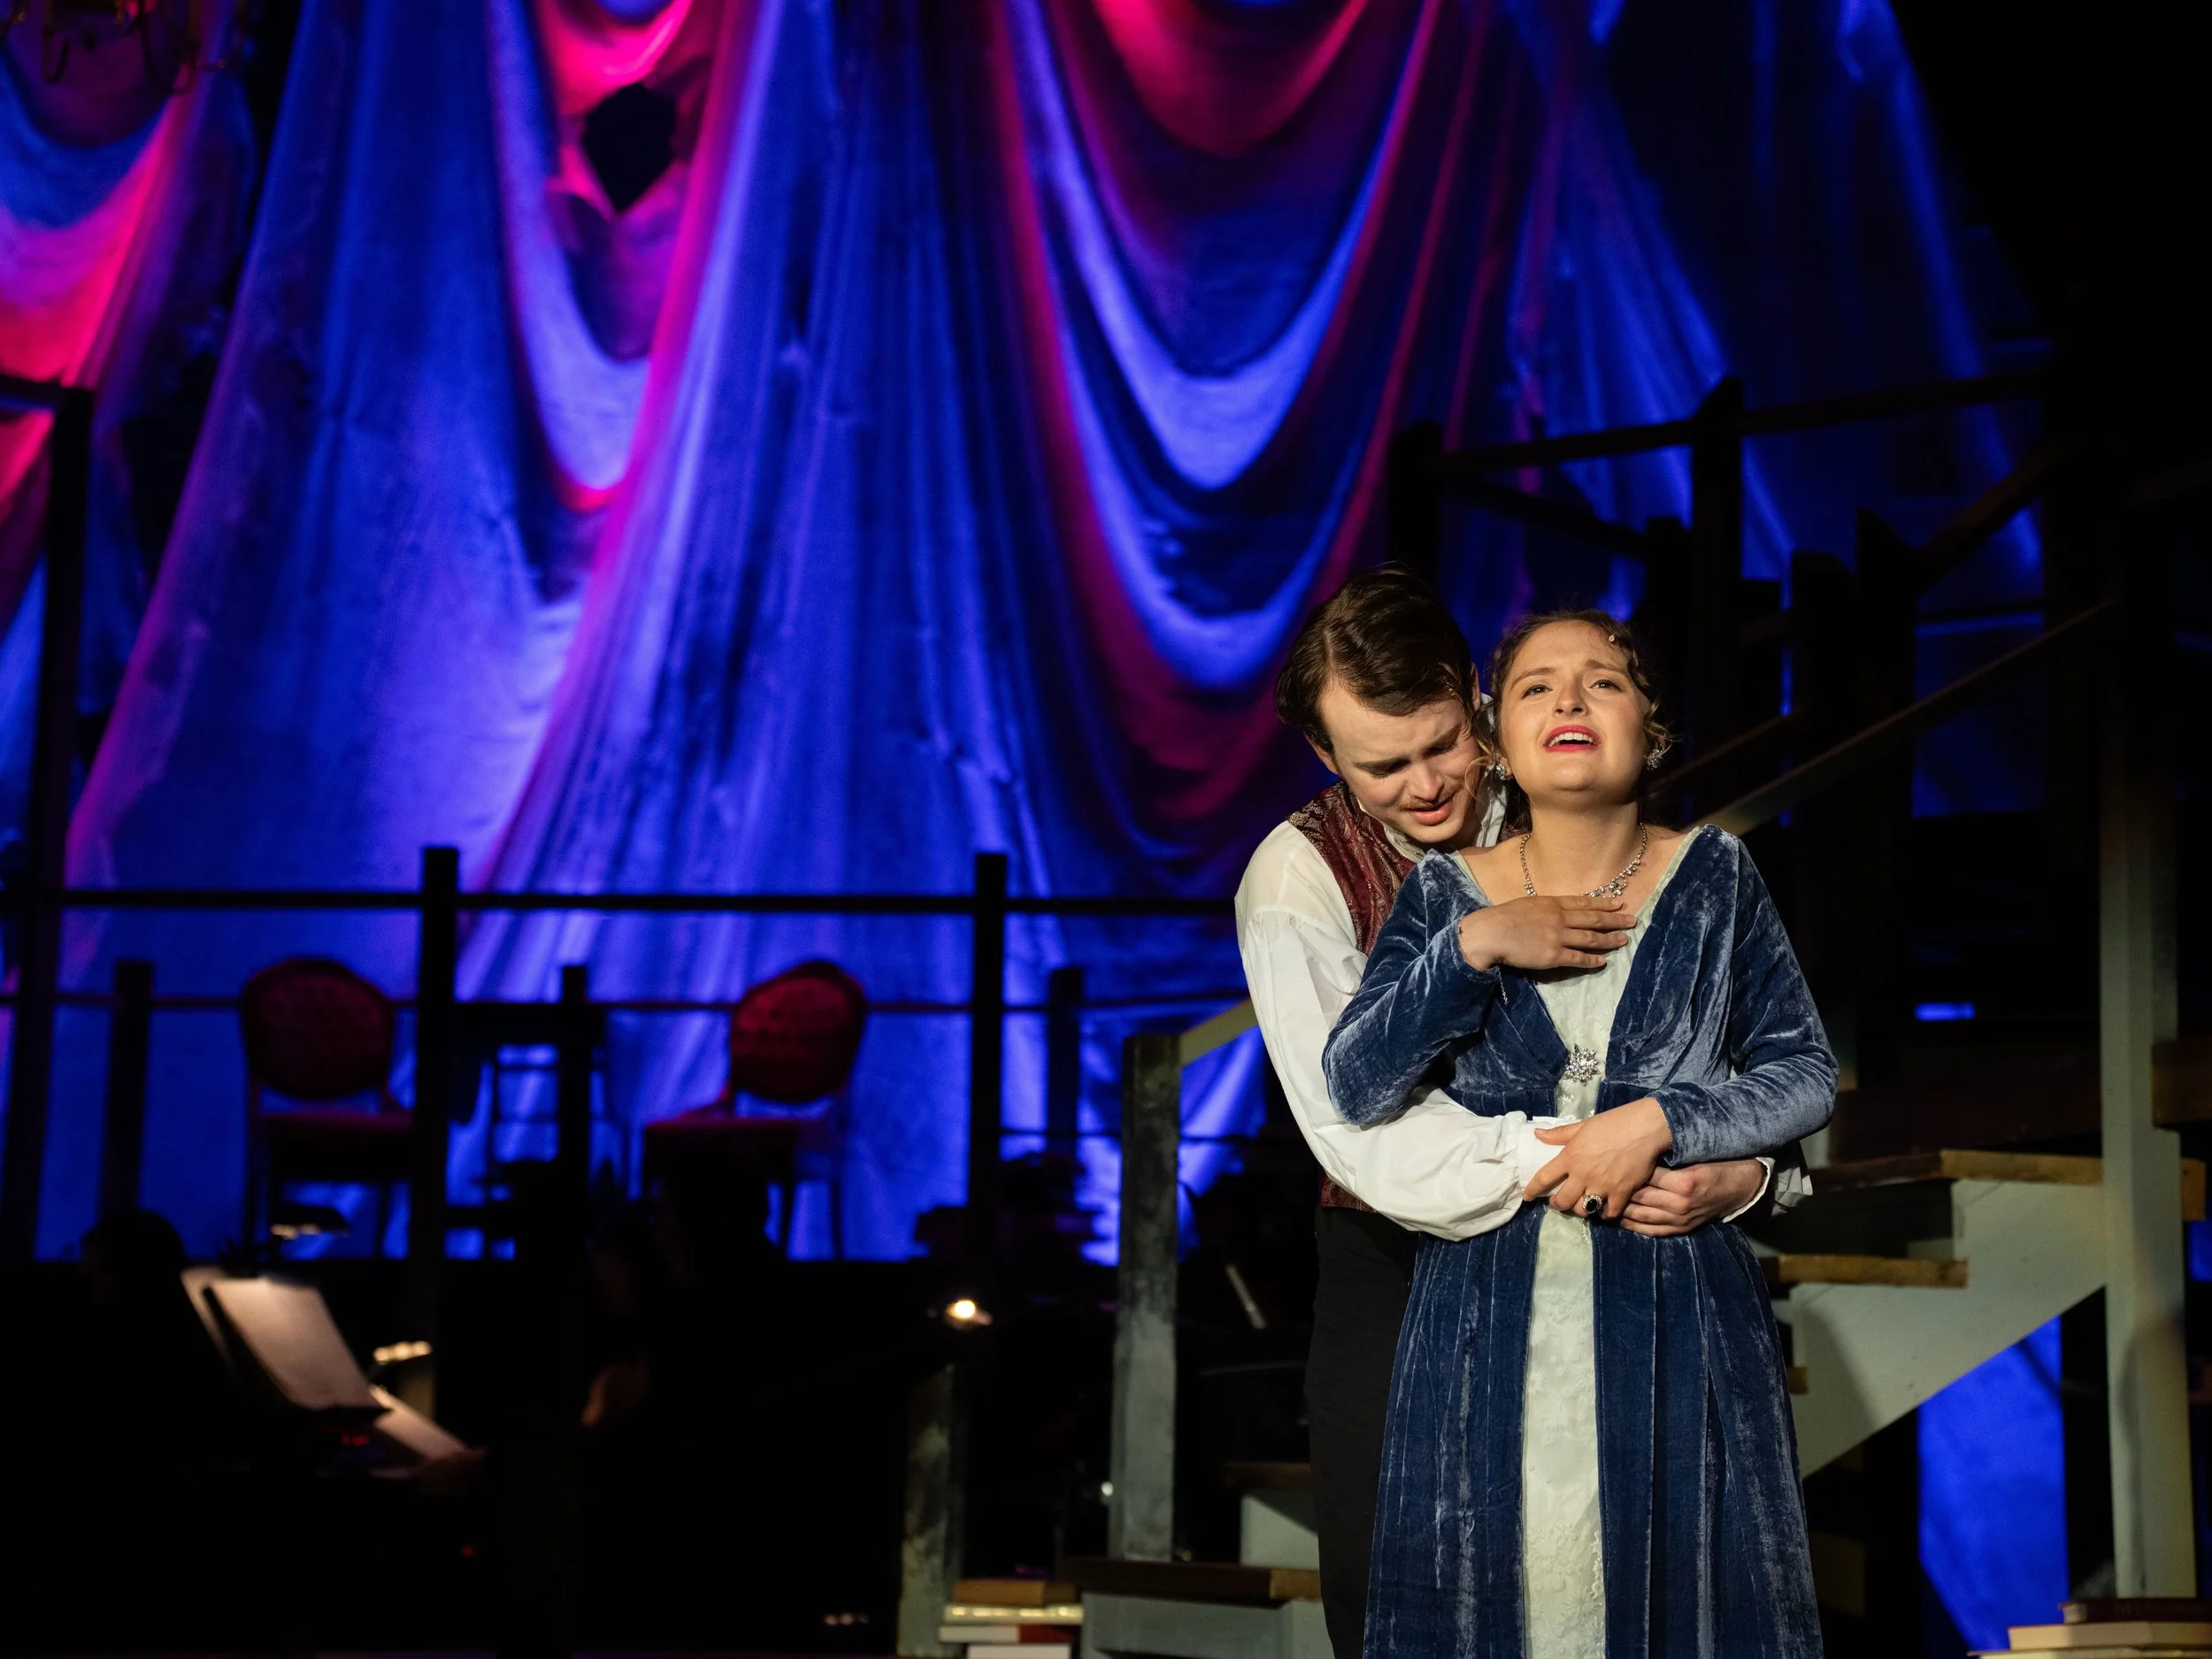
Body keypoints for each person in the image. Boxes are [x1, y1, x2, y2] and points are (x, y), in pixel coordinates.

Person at [1234, 573, 1808, 1659]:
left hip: (1632, 1246)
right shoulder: (1296, 879)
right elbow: (1361, 1132)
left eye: (1442, 745)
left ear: (1475, 699)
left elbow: (1739, 1049)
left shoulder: (1574, 787)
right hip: (1404, 1254)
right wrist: (1594, 1148)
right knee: (1400, 1584)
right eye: (1382, 766)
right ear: (1325, 756)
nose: (1424, 787)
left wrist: (1748, 1169)